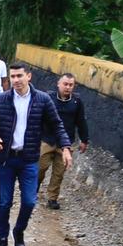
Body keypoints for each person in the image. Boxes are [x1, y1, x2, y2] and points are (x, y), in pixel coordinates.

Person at [0, 62, 71, 246]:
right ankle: (2, 238)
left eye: (19, 76)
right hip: (6, 159)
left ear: (28, 77)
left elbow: (57, 125)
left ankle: (19, 231)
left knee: (30, 201)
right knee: (5, 202)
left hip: (29, 159)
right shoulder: (0, 100)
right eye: (12, 76)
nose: (15, 80)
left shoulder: (42, 100)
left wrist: (65, 147)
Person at [38, 73, 90, 210]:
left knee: (59, 172)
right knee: (40, 168)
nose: (67, 87)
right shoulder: (48, 98)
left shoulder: (76, 102)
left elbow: (81, 121)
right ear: (58, 84)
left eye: (70, 85)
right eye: (65, 84)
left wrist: (84, 139)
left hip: (66, 144)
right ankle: (32, 190)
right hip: (46, 140)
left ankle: (52, 198)